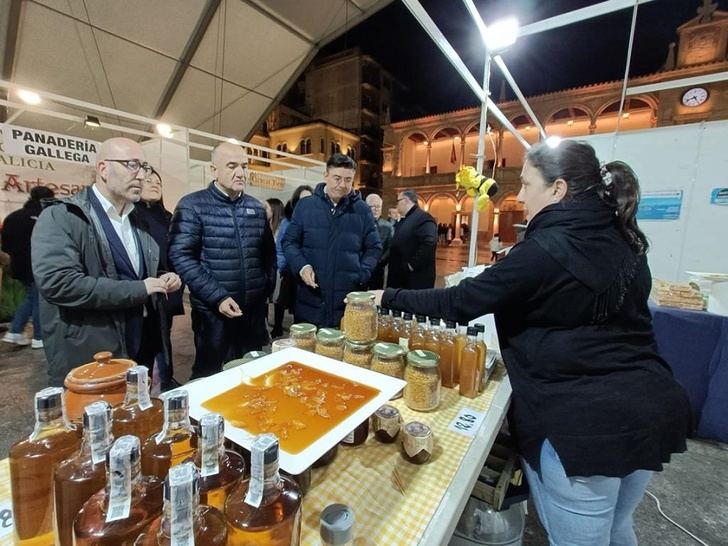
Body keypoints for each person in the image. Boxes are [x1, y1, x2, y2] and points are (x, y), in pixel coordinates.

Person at [373, 140, 690, 545]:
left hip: (584, 428)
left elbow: (459, 301)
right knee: (618, 528)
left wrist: (388, 297)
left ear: (557, 189)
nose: (519, 196)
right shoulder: (625, 237)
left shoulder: (544, 250)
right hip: (651, 406)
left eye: (526, 184)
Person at [31, 138, 181, 386]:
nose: (142, 176)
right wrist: (140, 288)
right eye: (132, 165)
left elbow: (138, 272)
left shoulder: (137, 220)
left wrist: (164, 276)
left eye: (144, 167)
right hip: (93, 353)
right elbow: (58, 283)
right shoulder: (62, 217)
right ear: (103, 169)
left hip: (141, 344)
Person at [169, 142, 276, 379]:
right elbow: (181, 255)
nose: (241, 173)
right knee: (211, 374)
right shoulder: (192, 205)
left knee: (252, 372)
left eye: (244, 166)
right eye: (232, 166)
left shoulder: (255, 208)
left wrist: (265, 288)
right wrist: (217, 296)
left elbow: (268, 254)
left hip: (252, 313)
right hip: (213, 313)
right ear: (213, 170)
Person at [282, 154, 381, 327]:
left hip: (347, 300)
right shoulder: (306, 206)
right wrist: (302, 266)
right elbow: (290, 242)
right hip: (310, 297)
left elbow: (374, 247)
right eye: (337, 178)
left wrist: (362, 273)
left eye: (348, 180)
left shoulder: (362, 210)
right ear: (326, 175)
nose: (342, 185)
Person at [134, 169, 184, 391]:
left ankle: (166, 380)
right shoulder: (130, 216)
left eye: (158, 182)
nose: (154, 184)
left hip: (167, 289)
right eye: (148, 181)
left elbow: (177, 253)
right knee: (142, 340)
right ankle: (141, 387)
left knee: (164, 337)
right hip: (139, 292)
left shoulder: (168, 217)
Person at [1, 185, 55, 349]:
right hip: (38, 264)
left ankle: (15, 331)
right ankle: (38, 336)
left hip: (18, 265)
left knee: (32, 297)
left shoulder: (13, 217)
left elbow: (6, 245)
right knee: (39, 299)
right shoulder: (43, 216)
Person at [271, 185, 313, 338]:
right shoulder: (287, 221)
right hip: (290, 270)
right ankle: (277, 327)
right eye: (302, 200)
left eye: (309, 199)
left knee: (301, 308)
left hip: (309, 272)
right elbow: (281, 246)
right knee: (281, 302)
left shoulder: (315, 220)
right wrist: (282, 267)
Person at [387, 190, 437, 290]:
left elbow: (429, 243)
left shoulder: (423, 218)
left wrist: (411, 265)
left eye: (398, 201)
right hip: (401, 278)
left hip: (414, 279)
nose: (396, 205)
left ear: (406, 200)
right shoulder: (407, 218)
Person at [365, 193, 394, 290]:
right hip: (361, 267)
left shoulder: (388, 226)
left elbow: (390, 248)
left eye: (378, 206)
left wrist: (379, 262)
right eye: (372, 206)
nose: (375, 209)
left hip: (378, 269)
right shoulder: (360, 224)